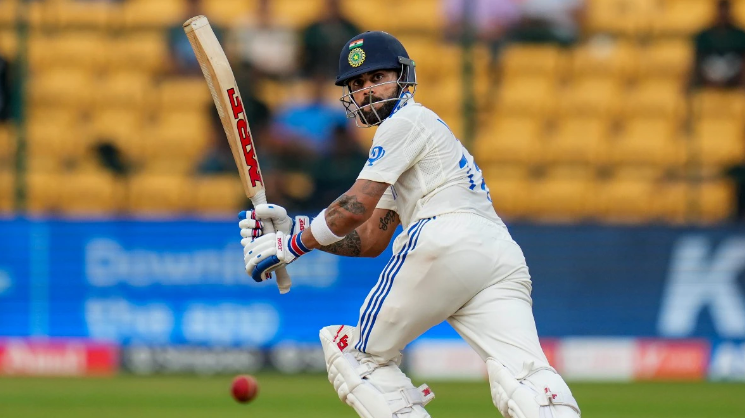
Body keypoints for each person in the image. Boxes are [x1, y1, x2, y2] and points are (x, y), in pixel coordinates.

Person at [239, 31, 581, 418]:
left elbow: (353, 206)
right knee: (528, 376)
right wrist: (297, 227)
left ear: (403, 76)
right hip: (499, 256)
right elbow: (369, 239)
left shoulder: (405, 121)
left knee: (355, 355)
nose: (367, 90)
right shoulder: (412, 139)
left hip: (444, 238)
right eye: (357, 84)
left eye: (376, 78)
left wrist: (293, 245)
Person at [300, 0, 361, 79]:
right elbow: (305, 56)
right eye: (329, 6)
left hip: (344, 71)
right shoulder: (312, 30)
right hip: (315, 74)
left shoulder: (349, 29)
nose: (331, 11)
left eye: (334, 6)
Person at [691, 0, 745, 88]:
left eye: (725, 11)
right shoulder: (704, 36)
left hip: (734, 76)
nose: (723, 15)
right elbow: (698, 62)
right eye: (721, 11)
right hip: (709, 76)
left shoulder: (740, 35)